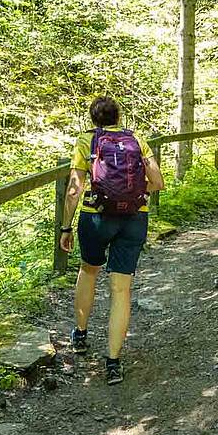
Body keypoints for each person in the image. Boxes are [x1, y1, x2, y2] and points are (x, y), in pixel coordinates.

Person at [58, 96, 163, 385]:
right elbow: (158, 182)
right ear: (118, 117)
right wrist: (135, 194)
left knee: (88, 270)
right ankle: (113, 362)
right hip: (134, 218)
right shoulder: (136, 140)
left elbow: (74, 189)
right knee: (121, 289)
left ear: (94, 119)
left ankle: (80, 334)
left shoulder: (86, 142)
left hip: (96, 218)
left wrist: (65, 227)